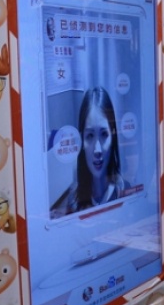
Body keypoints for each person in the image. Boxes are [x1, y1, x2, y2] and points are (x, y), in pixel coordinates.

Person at [51, 86, 129, 217]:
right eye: (90, 136)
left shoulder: (125, 192)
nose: (97, 150)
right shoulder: (73, 202)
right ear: (81, 138)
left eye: (104, 134)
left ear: (113, 135)